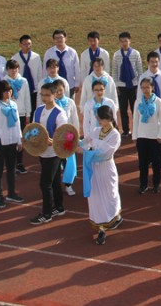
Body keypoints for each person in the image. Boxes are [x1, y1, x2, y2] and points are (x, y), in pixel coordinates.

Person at [78, 105, 123, 245]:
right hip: (94, 169)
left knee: (109, 194)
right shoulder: (96, 130)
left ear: (109, 119)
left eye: (103, 120)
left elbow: (105, 153)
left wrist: (85, 152)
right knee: (96, 196)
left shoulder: (115, 135)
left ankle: (113, 217)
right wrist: (73, 142)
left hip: (106, 168)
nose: (100, 123)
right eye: (99, 119)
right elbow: (85, 141)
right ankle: (100, 226)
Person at [30, 82, 69, 225]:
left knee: (45, 183)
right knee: (54, 181)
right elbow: (34, 128)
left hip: (53, 153)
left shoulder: (60, 113)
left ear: (55, 95)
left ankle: (47, 213)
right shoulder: (39, 110)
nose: (44, 97)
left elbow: (64, 135)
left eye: (47, 95)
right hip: (42, 151)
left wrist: (53, 141)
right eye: (42, 95)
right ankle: (58, 206)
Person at [0, 81, 23, 208]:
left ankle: (11, 193)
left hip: (12, 142)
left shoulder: (14, 105)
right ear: (0, 92)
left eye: (9, 90)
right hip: (0, 144)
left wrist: (19, 140)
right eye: (5, 91)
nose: (8, 93)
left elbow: (18, 124)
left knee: (11, 169)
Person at [133, 77, 161, 194]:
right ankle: (143, 184)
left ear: (153, 88)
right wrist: (135, 136)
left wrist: (160, 135)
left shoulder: (158, 102)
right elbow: (135, 119)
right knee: (143, 163)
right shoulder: (138, 102)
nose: (145, 90)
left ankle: (156, 184)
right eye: (143, 88)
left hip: (154, 137)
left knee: (156, 163)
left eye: (147, 87)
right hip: (142, 136)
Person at [111, 32, 143, 138]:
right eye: (122, 41)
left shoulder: (135, 53)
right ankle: (125, 130)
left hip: (133, 85)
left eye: (126, 41)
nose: (124, 43)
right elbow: (115, 71)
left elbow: (139, 69)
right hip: (121, 86)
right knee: (123, 109)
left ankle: (137, 130)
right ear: (119, 42)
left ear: (130, 41)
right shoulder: (117, 55)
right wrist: (116, 85)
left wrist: (139, 85)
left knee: (135, 109)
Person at [53, 81, 80, 197]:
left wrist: (76, 135)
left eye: (61, 90)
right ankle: (56, 186)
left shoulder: (70, 102)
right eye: (56, 91)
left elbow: (75, 119)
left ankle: (68, 185)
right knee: (56, 163)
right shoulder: (51, 104)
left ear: (64, 89)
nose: (59, 93)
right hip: (56, 138)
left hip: (69, 137)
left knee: (69, 162)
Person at [5, 59, 31, 174]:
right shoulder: (4, 82)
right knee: (10, 140)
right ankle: (11, 164)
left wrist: (28, 114)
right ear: (7, 70)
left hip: (20, 113)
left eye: (15, 68)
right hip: (8, 114)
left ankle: (19, 163)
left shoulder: (24, 81)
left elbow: (27, 98)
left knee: (20, 140)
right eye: (11, 69)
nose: (13, 71)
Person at [43, 29, 81, 98]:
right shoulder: (49, 53)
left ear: (65, 38)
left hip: (70, 85)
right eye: (56, 38)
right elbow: (45, 70)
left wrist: (77, 83)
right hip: (53, 86)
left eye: (61, 37)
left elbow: (77, 69)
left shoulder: (72, 52)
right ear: (53, 40)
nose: (59, 40)